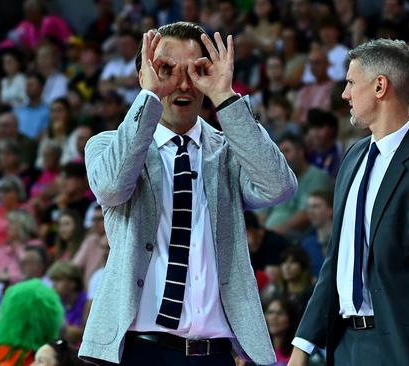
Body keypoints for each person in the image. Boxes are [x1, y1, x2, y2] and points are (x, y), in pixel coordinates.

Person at [79, 22, 296, 366]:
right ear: (143, 76)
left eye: (197, 71)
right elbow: (112, 186)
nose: (181, 84)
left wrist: (225, 96)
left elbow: (279, 186)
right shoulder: (107, 146)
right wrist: (149, 97)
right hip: (140, 349)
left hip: (216, 353)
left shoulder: (228, 151)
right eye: (166, 70)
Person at [288, 39, 409, 366]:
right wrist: (302, 346)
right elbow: (337, 260)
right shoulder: (353, 157)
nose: (344, 94)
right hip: (345, 346)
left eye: (350, 83)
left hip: (405, 351)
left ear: (380, 86)